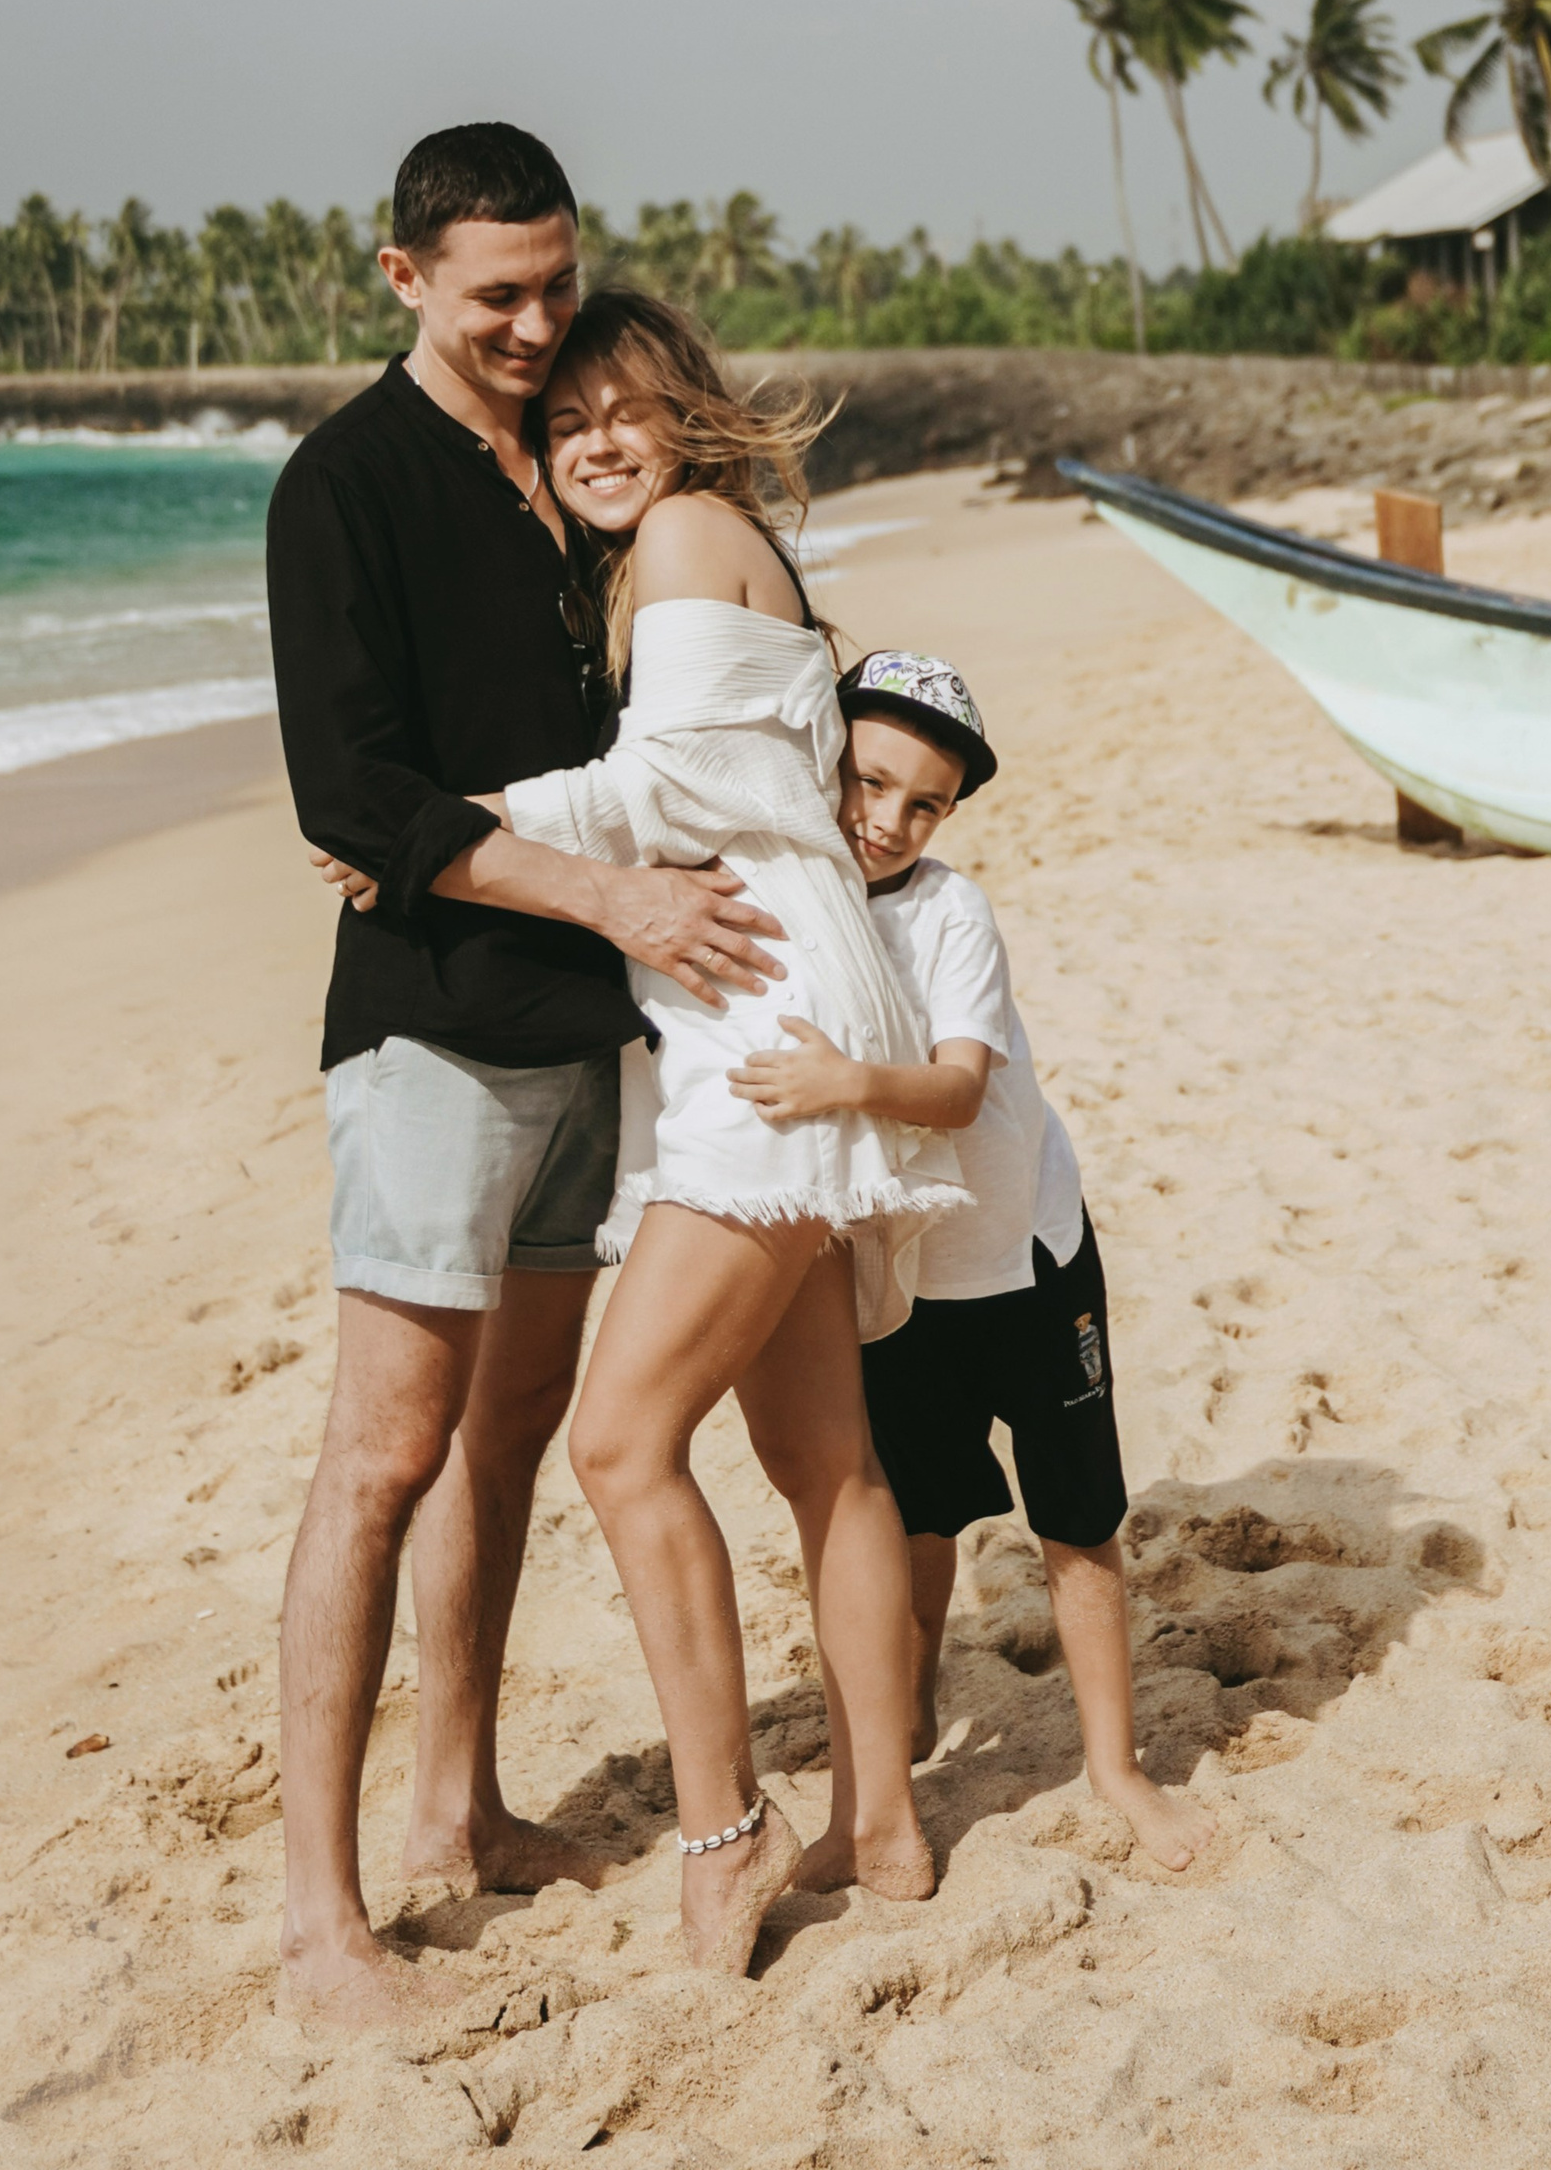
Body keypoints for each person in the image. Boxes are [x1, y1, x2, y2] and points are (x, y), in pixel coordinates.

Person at [265, 125, 785, 2026]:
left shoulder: (573, 467)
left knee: (503, 1445)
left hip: (593, 1040)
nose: (537, 324)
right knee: (385, 1454)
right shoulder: (342, 485)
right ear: (401, 276)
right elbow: (353, 794)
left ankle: (458, 1808)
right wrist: (604, 893)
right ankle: (325, 1928)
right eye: (499, 293)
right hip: (430, 1031)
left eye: (559, 285)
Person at [490, 290, 971, 1972]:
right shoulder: (726, 543)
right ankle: (889, 1826)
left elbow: (668, 790)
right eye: (568, 423)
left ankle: (728, 1829)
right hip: (802, 997)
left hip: (771, 1030)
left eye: (627, 409)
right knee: (823, 1459)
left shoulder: (690, 536)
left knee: (620, 1445)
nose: (601, 442)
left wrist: (453, 825)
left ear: (684, 415)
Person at [727, 650, 1215, 1873]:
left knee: (1076, 1517)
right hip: (897, 1278)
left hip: (1024, 1256)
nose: (885, 818)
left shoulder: (950, 909)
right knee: (914, 1516)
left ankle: (1114, 1764)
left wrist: (842, 1082)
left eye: (922, 801)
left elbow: (955, 1086)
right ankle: (909, 1713)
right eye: (866, 779)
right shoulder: (789, 892)